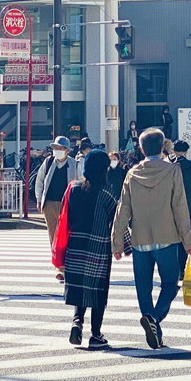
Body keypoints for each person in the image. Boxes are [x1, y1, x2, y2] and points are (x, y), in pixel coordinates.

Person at [111, 128, 191, 349]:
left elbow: (123, 210)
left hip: (139, 239)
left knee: (143, 286)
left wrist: (117, 242)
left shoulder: (132, 173)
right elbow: (180, 207)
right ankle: (155, 318)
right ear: (163, 147)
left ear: (141, 148)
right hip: (167, 237)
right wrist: (188, 241)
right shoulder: (172, 171)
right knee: (170, 283)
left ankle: (152, 323)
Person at [55, 149, 117, 350]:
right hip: (98, 247)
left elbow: (65, 217)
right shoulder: (108, 194)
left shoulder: (73, 188)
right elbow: (117, 222)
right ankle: (96, 334)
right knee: (97, 291)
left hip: (75, 245)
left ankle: (76, 322)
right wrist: (125, 246)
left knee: (80, 288)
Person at [36, 136, 80, 281]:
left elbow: (80, 182)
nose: (57, 151)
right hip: (49, 203)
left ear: (67, 150)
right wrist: (38, 199)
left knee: (67, 235)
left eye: (61, 148)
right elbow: (40, 181)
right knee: (53, 237)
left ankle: (69, 265)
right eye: (56, 148)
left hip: (68, 205)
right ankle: (59, 267)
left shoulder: (74, 164)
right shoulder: (48, 162)